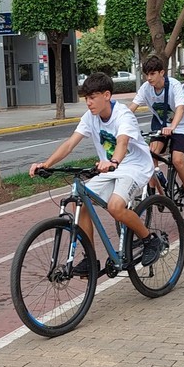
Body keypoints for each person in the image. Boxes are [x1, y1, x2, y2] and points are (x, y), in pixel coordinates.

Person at [29, 72, 162, 268]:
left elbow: (122, 142)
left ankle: (150, 240)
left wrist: (114, 161)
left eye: (92, 98)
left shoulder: (123, 115)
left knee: (116, 207)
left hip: (134, 167)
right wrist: (46, 164)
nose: (88, 103)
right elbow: (70, 144)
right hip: (110, 169)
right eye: (86, 99)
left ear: (106, 95)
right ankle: (89, 258)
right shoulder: (90, 117)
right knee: (79, 201)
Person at [129, 55, 184, 208]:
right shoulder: (146, 88)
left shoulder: (174, 85)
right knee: (151, 155)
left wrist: (172, 127)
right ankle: (156, 193)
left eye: (152, 74)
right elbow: (132, 108)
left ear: (162, 72)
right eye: (146, 74)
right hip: (160, 124)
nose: (149, 78)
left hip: (182, 125)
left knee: (177, 160)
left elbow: (180, 108)